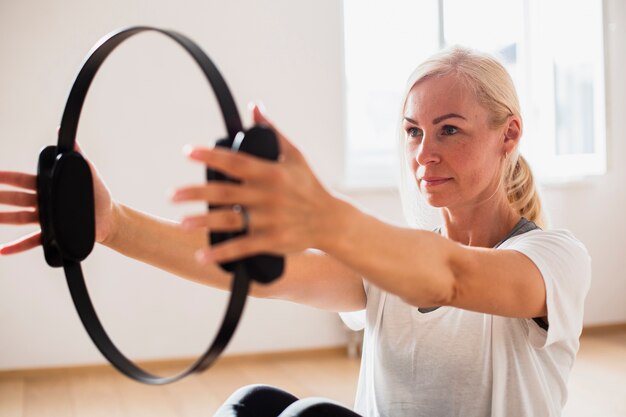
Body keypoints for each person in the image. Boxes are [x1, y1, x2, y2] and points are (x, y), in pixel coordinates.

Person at [0, 46, 591, 417]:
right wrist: (115, 225)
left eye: (450, 131)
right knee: (252, 405)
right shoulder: (389, 259)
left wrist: (324, 216)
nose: (425, 154)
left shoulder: (554, 259)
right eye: (414, 131)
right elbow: (258, 270)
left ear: (508, 135)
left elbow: (453, 279)